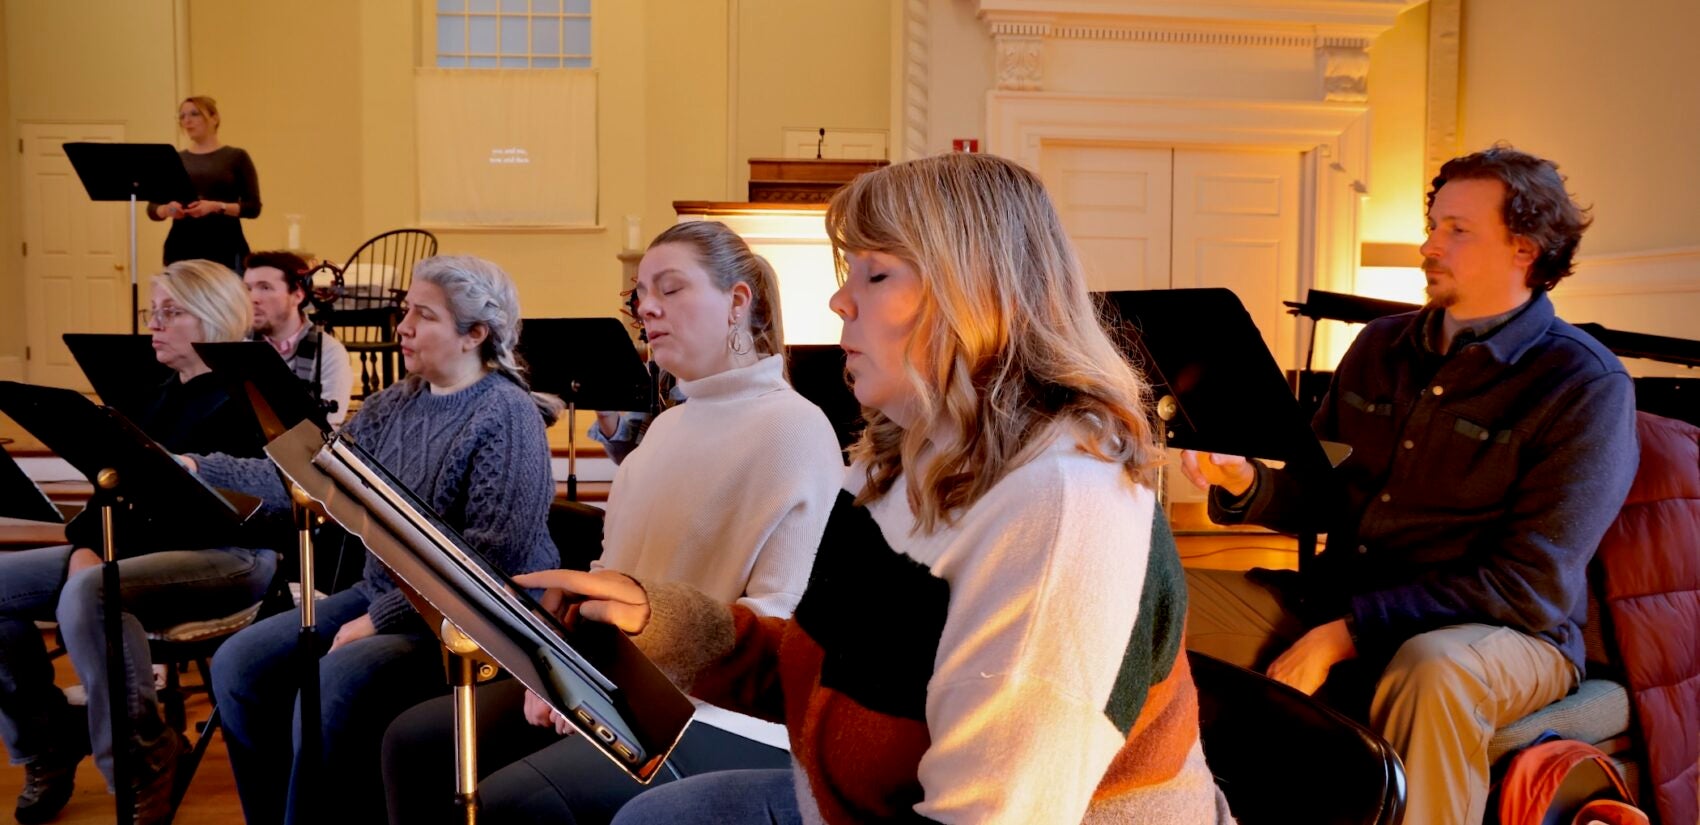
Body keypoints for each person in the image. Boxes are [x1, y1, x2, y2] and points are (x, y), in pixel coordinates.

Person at [516, 154, 1231, 824]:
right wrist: (653, 616)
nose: (837, 300)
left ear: (974, 290)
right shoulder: (897, 460)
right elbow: (813, 667)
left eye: (875, 274)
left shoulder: (1065, 505)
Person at [1179, 144, 1638, 825]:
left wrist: (1344, 636)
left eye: (1458, 229)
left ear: (1526, 248)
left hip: (1506, 630)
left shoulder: (1585, 384)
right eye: (1434, 223)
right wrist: (1247, 483)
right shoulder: (1378, 348)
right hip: (1340, 600)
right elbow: (1322, 493)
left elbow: (1528, 583)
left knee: (1432, 669)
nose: (1429, 244)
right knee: (1155, 596)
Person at [381, 220, 845, 825]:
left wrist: (599, 693)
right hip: (617, 681)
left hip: (714, 710)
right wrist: (562, 670)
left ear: (737, 301)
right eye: (640, 294)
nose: (646, 307)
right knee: (414, 744)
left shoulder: (795, 429)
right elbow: (612, 573)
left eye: (670, 289)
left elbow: (779, 624)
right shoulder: (671, 427)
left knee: (521, 804)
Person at [198, 255, 561, 825]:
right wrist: (198, 467)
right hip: (394, 594)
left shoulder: (506, 415)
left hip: (477, 619)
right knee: (240, 663)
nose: (403, 328)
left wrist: (380, 617)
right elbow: (311, 471)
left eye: (424, 315)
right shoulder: (400, 400)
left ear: (475, 335)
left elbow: (492, 562)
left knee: (335, 683)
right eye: (404, 311)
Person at [0, 259, 276, 825]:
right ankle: (46, 743)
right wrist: (85, 543)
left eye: (170, 312)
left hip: (230, 557)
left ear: (213, 318)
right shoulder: (153, 395)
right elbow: (114, 488)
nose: (154, 324)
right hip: (138, 551)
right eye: (154, 311)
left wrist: (104, 559)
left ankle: (142, 759)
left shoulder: (249, 398)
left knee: (89, 595)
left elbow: (240, 509)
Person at [147, 96, 262, 272]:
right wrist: (169, 209)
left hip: (225, 245)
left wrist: (217, 206)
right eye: (182, 116)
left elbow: (253, 208)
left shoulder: (236, 157)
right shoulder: (176, 159)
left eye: (195, 114)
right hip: (182, 245)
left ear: (214, 118)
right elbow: (153, 208)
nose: (187, 121)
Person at [243, 250, 353, 427]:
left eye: (265, 287)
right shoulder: (240, 347)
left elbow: (328, 429)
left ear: (298, 295)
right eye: (248, 288)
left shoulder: (328, 353)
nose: (252, 298)